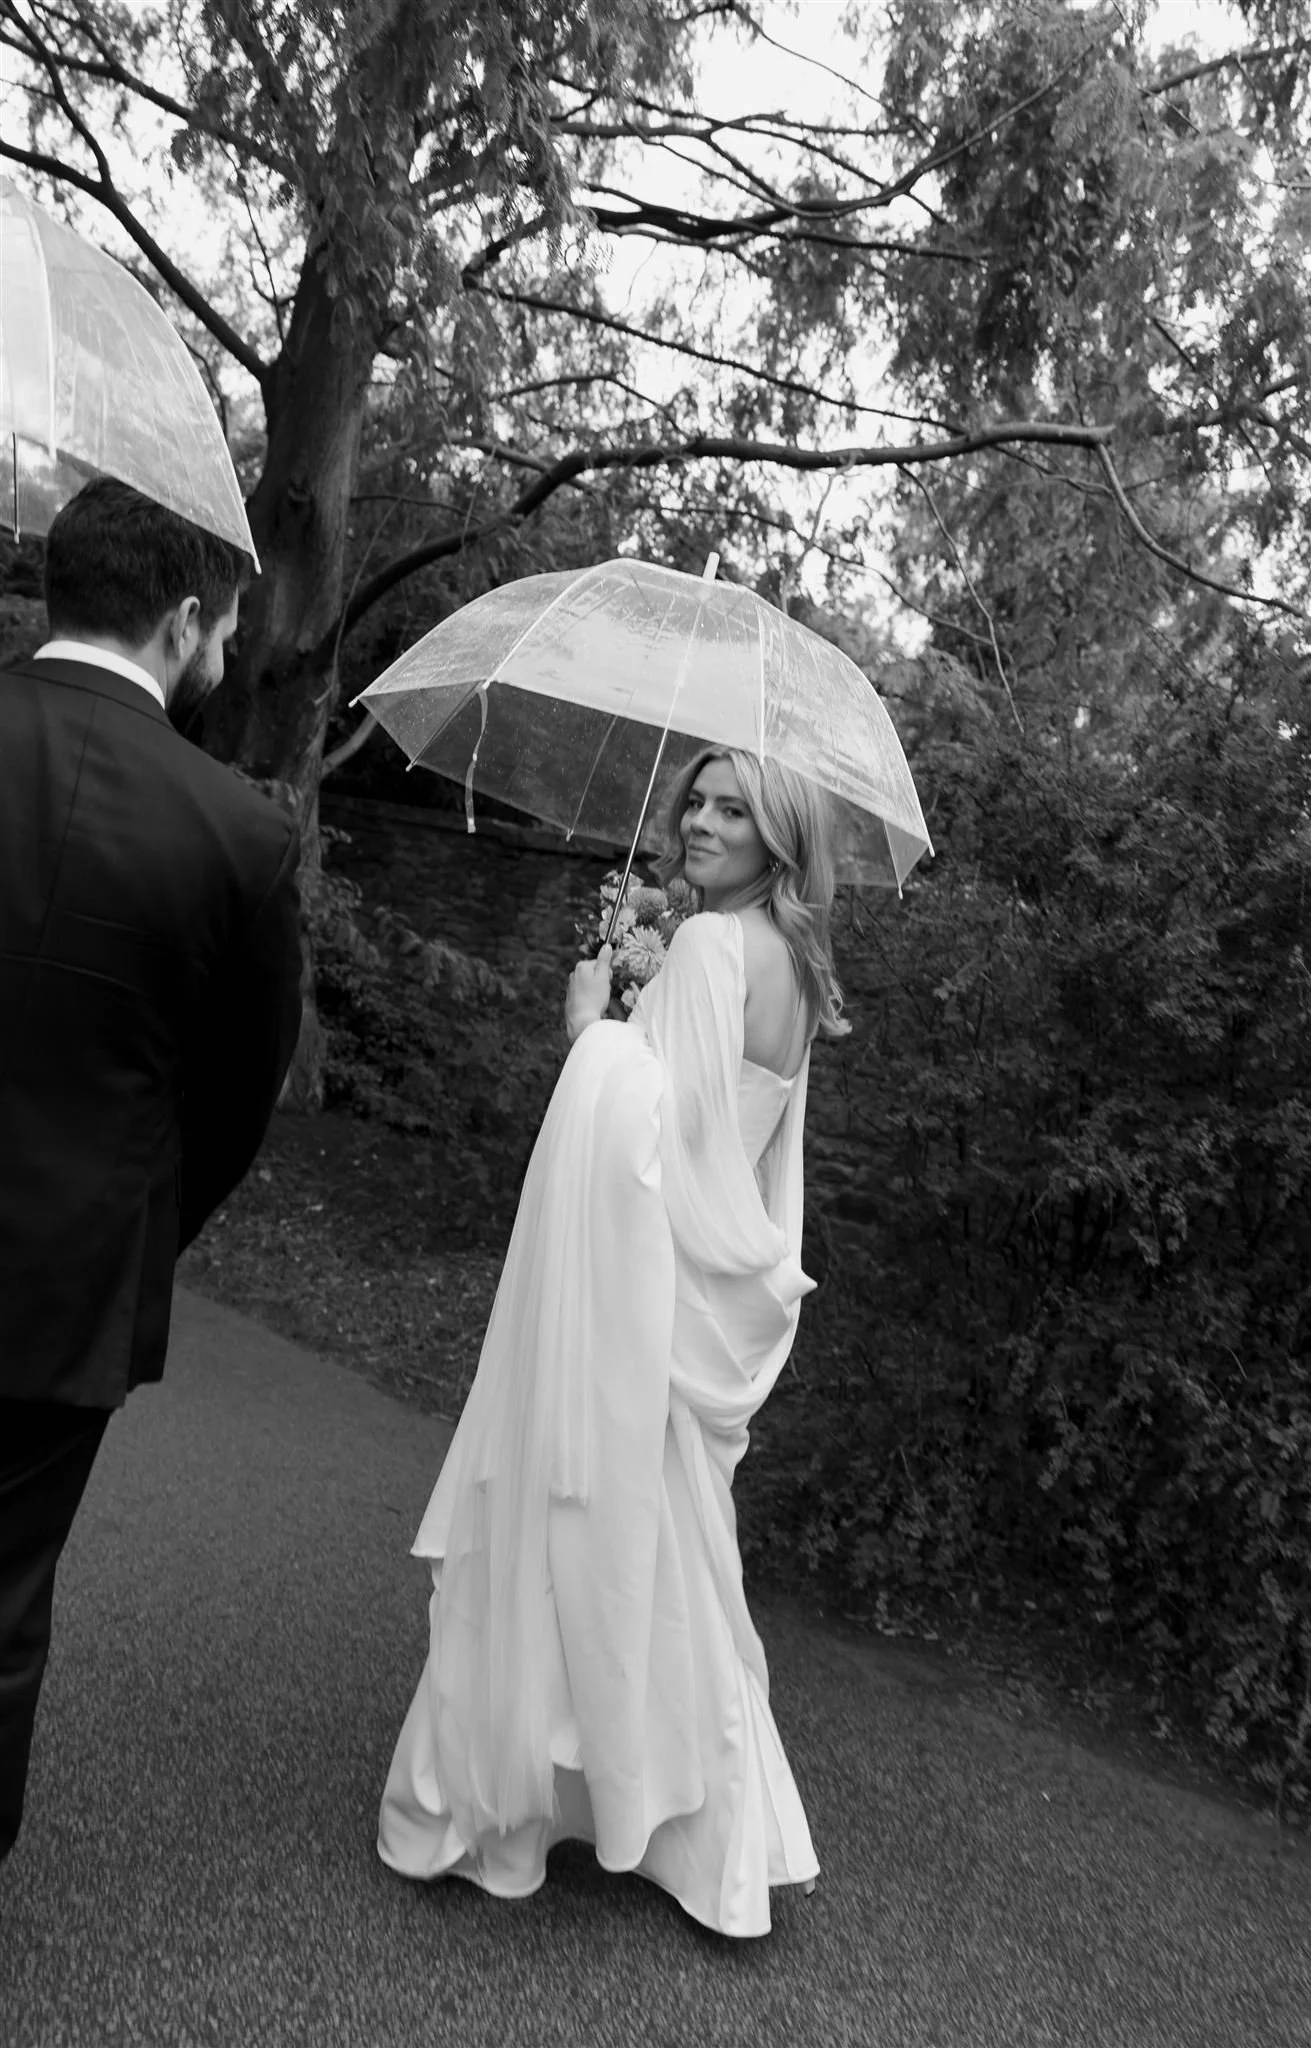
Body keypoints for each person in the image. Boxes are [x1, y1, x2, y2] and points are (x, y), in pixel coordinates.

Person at [378, 744, 850, 1937]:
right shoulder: (795, 960)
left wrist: (591, 1030)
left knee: (579, 1533)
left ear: (781, 838)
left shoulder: (705, 947)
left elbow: (652, 1148)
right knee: (675, 1564)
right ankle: (708, 1834)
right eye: (696, 799)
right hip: (698, 1300)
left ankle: (505, 1808)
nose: (699, 821)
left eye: (734, 809)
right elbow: (731, 1155)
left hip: (641, 1296)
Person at [0, 477, 304, 1860]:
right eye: (228, 628)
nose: (229, 657)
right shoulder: (239, 833)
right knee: (3, 1601)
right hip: (67, 1289)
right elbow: (239, 1095)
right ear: (182, 621)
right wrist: (137, 1220)